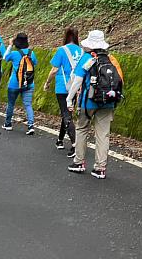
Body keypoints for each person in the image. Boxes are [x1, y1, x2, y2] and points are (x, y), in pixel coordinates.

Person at [66, 30, 122, 179]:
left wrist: (69, 99)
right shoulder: (111, 59)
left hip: (88, 102)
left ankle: (78, 162)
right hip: (107, 103)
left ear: (90, 45)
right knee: (103, 135)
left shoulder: (86, 58)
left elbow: (77, 81)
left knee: (82, 129)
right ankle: (100, 168)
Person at [43, 27, 82, 156]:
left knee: (66, 114)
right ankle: (60, 140)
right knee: (67, 113)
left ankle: (75, 144)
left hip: (62, 87)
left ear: (65, 36)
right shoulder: (81, 51)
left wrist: (47, 82)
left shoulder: (62, 50)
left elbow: (54, 70)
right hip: (76, 87)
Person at [2, 33, 38, 135]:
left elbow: (5, 58)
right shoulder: (32, 53)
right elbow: (34, 63)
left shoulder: (14, 54)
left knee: (11, 103)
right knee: (28, 104)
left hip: (15, 83)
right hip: (29, 83)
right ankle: (31, 126)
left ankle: (8, 124)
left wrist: (9, 45)